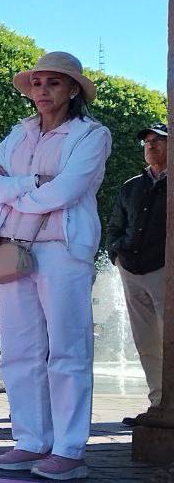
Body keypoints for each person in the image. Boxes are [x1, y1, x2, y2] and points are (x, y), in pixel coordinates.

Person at [0, 51, 112, 481]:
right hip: (14, 248)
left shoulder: (92, 135)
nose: (42, 91)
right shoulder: (17, 135)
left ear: (73, 89)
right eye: (37, 83)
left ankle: (69, 448)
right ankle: (30, 440)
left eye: (52, 83)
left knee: (68, 349)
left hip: (62, 249)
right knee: (19, 351)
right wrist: (30, 185)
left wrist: (13, 190)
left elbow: (68, 190)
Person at [107, 122, 167, 426]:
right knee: (145, 341)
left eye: (159, 140)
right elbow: (116, 224)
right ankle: (158, 403)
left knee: (169, 339)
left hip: (165, 270)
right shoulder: (132, 185)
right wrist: (116, 253)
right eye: (147, 141)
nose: (151, 146)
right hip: (131, 268)